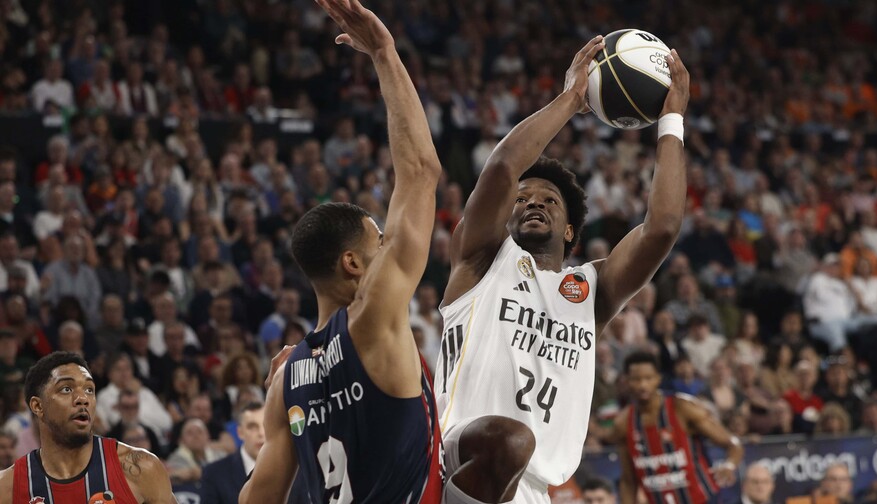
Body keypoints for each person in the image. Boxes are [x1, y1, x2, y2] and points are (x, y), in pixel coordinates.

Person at [434, 33, 691, 504]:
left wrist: (671, 119)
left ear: (570, 231)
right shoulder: (482, 257)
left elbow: (663, 227)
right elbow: (501, 169)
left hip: (533, 487)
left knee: (515, 446)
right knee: (508, 440)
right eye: (523, 198)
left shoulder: (590, 288)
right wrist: (573, 98)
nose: (533, 202)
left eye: (548, 200)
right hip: (458, 464)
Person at [239, 0, 442, 502]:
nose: (387, 245)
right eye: (379, 240)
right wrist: (384, 52)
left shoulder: (287, 376)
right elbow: (419, 171)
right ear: (353, 264)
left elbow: (256, 498)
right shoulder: (373, 315)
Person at [0, 351, 175, 503]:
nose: (82, 398)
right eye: (66, 389)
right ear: (38, 407)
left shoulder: (142, 468)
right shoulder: (7, 487)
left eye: (89, 389)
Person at [612, 351, 743, 504]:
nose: (643, 385)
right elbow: (628, 481)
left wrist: (729, 464)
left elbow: (733, 443)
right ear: (626, 381)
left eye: (648, 378)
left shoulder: (682, 408)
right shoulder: (622, 423)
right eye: (636, 379)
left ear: (658, 379)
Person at [201, 402, 265, 504]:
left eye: (266, 425)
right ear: (240, 433)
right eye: (252, 427)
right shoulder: (214, 473)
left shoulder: (291, 471)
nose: (261, 433)